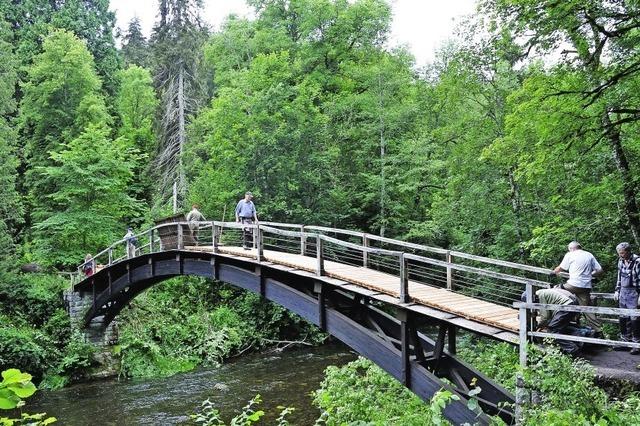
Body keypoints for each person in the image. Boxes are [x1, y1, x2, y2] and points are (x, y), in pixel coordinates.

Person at [553, 241, 603, 335]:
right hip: (586, 286)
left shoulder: (570, 254)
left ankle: (557, 322)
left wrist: (553, 272)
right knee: (586, 308)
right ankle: (598, 331)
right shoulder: (589, 255)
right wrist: (591, 274)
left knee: (556, 290)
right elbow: (600, 270)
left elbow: (561, 268)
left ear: (571, 248)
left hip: (573, 285)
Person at [531, 287, 592, 355]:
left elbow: (545, 317)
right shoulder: (542, 292)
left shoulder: (540, 296)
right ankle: (586, 333)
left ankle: (573, 350)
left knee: (553, 331)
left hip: (566, 306)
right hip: (573, 302)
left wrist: (539, 326)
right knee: (561, 327)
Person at [613, 242, 640, 354]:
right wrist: (617, 290)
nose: (621, 255)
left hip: (634, 291)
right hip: (623, 291)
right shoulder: (620, 261)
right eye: (619, 253)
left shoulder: (638, 261)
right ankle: (625, 341)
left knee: (635, 318)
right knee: (623, 317)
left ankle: (636, 344)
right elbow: (619, 276)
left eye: (622, 253)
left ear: (628, 251)